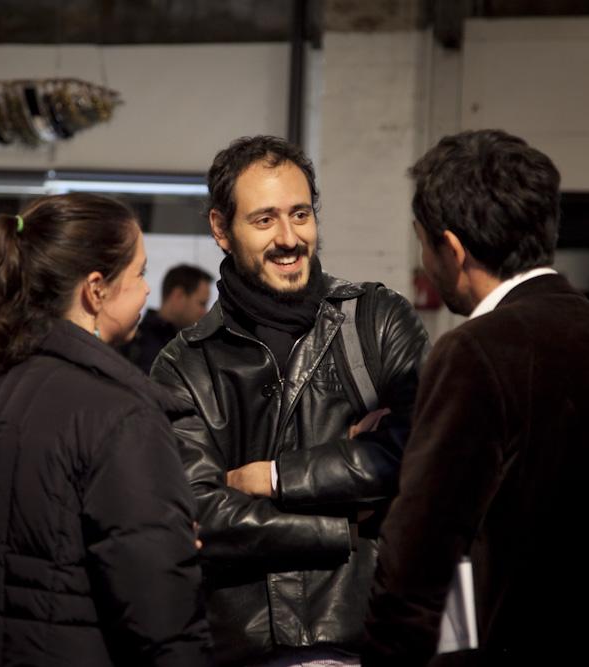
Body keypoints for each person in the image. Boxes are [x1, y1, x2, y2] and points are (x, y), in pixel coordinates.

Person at [364, 129, 589, 666]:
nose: (424, 261)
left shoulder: (474, 352)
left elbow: (418, 561)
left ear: (452, 248)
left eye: (422, 243)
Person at [151, 135, 430, 666]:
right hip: (242, 648)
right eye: (264, 220)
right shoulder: (185, 364)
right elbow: (199, 512)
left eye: (300, 214)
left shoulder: (377, 319)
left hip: (370, 639)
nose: (289, 238)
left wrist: (274, 478)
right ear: (221, 229)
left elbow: (420, 453)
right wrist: (344, 526)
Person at [0, 193, 212, 667]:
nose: (145, 291)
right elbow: (162, 615)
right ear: (96, 290)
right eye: (139, 273)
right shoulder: (120, 417)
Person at [122, 264, 213, 374]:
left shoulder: (180, 344)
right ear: (178, 295)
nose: (205, 312)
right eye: (202, 303)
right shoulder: (144, 348)